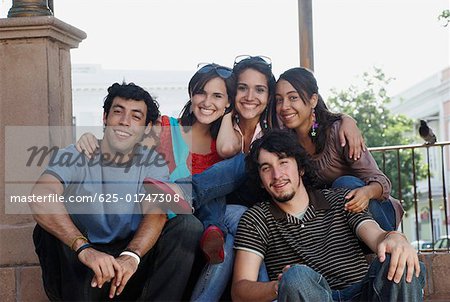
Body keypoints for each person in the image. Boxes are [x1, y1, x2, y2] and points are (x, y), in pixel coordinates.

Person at [31, 82, 203, 301]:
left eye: (135, 116)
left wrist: (131, 257)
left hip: (129, 266)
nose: (124, 121)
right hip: (82, 264)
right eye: (118, 112)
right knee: (47, 226)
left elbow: (156, 212)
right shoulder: (75, 155)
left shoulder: (152, 163)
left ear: (147, 128)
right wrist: (83, 248)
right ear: (105, 118)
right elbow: (40, 195)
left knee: (188, 226)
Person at [232, 129, 425, 302]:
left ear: (300, 168)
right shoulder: (256, 219)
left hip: (362, 294)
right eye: (266, 168)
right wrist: (279, 286)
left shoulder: (340, 200)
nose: (276, 175)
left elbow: (376, 235)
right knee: (296, 277)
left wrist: (395, 238)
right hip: (309, 295)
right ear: (260, 179)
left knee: (401, 258)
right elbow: (240, 289)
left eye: (283, 163)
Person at [273, 67, 402, 231]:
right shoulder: (286, 142)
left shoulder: (338, 132)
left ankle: (389, 242)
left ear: (313, 100)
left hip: (373, 210)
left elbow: (381, 182)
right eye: (279, 100)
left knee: (344, 183)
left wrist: (366, 193)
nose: (284, 106)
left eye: (293, 97)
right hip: (335, 223)